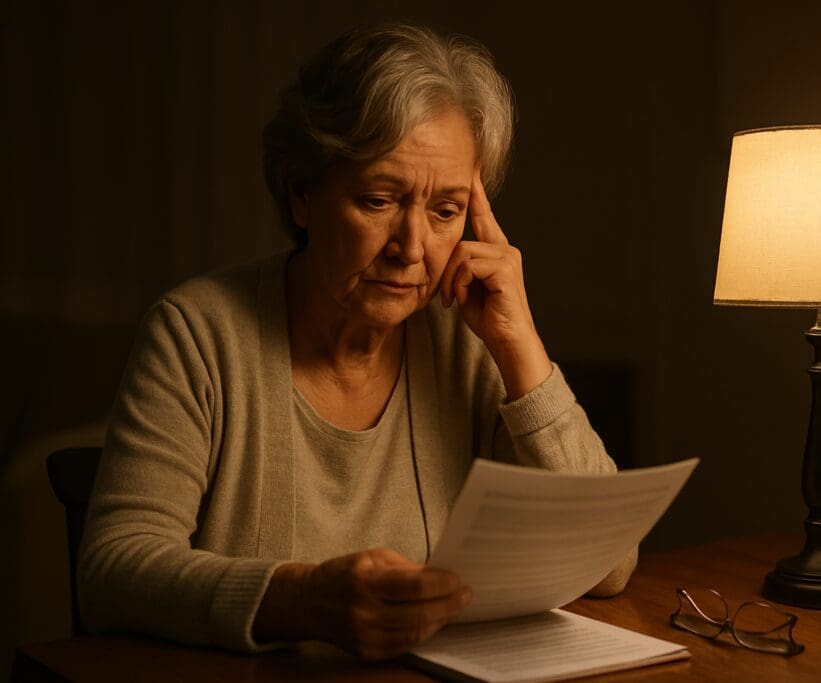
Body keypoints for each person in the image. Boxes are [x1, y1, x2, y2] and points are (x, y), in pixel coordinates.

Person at [78, 23, 635, 661]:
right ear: (300, 192)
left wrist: (520, 343)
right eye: (377, 199)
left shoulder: (469, 338)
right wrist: (302, 599)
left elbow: (612, 565)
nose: (411, 248)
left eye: (446, 210)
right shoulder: (196, 333)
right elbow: (111, 572)